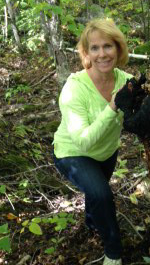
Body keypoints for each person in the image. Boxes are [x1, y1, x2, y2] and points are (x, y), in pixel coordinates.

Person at [53, 18, 132, 265]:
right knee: (101, 193)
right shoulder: (74, 88)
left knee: (95, 196)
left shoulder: (126, 81)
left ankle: (91, 223)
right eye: (94, 48)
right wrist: (112, 107)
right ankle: (113, 253)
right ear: (86, 53)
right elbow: (84, 142)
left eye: (107, 46)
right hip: (73, 152)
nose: (102, 54)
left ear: (118, 48)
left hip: (107, 152)